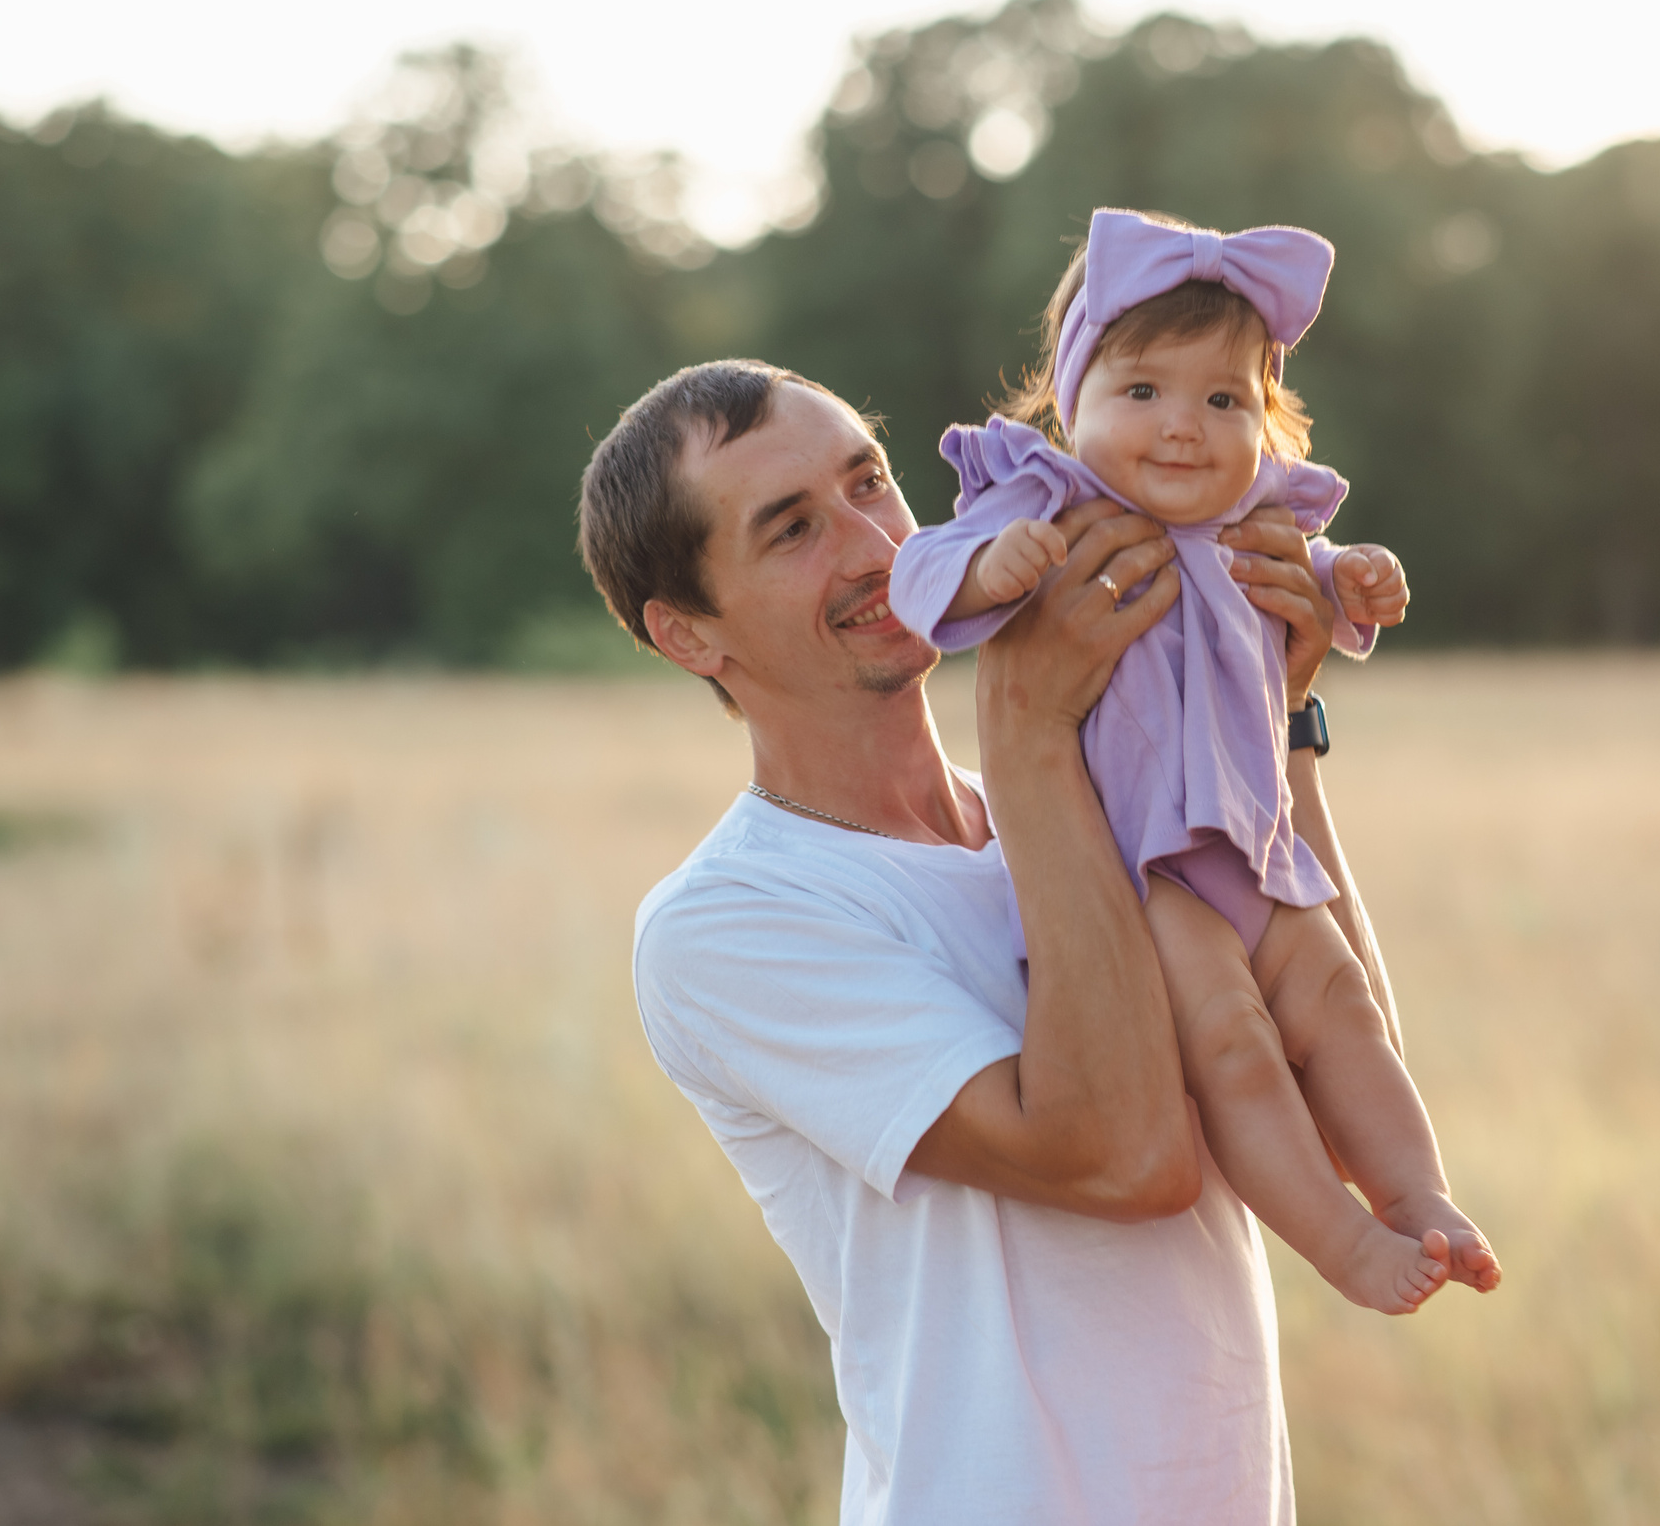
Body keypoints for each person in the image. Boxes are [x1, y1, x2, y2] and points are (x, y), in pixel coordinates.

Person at [580, 357, 1378, 1525]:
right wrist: (1032, 724)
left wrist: (1277, 722)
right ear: (689, 633)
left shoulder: (1075, 796)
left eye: (871, 482)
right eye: (792, 529)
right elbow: (1125, 1157)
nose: (874, 546)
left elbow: (1341, 1106)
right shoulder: (725, 923)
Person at [889, 209, 1498, 1315]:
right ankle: (1345, 1246)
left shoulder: (1254, 520)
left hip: (1256, 849)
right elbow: (918, 575)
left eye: (1224, 399)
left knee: (1344, 1006)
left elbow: (1307, 605)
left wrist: (1351, 576)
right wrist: (993, 566)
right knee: (1232, 1039)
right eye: (1143, 392)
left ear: (1265, 422)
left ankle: (1421, 1196)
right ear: (1072, 402)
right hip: (1137, 872)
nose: (1183, 427)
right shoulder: (1050, 499)